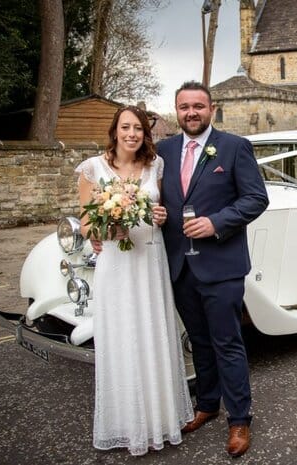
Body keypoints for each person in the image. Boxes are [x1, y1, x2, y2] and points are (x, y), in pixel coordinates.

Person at [157, 81, 269, 458]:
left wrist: (217, 223)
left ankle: (239, 419)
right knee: (199, 342)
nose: (192, 112)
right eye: (185, 106)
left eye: (199, 106)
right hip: (179, 266)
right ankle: (207, 404)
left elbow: (256, 198)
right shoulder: (163, 151)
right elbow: (154, 198)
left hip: (221, 266)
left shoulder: (235, 147)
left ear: (211, 109)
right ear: (177, 110)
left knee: (227, 343)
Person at [76, 106, 194, 456]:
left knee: (153, 332)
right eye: (125, 127)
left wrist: (161, 214)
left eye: (138, 128)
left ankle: (161, 419)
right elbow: (85, 225)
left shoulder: (154, 166)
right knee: (123, 335)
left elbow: (162, 211)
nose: (132, 134)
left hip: (150, 257)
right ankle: (126, 424)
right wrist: (105, 225)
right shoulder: (91, 169)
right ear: (114, 131)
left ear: (145, 133)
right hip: (117, 260)